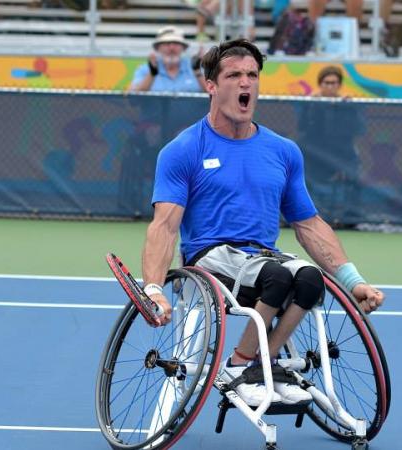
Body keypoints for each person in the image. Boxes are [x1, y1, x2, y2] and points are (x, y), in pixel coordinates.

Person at [140, 39, 384, 407]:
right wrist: (154, 288)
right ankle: (240, 367)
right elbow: (164, 226)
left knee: (309, 278)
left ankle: (263, 362)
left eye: (252, 75)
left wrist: (354, 281)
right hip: (209, 260)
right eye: (234, 75)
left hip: (262, 257)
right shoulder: (184, 149)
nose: (245, 83)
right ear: (211, 85)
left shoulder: (282, 151)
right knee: (278, 276)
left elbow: (310, 225)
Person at [299, 66, 364, 222]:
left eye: (334, 83)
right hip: (314, 154)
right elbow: (302, 127)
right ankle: (305, 216)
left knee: (354, 177)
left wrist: (349, 106)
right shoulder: (311, 104)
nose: (330, 86)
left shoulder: (347, 104)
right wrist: (312, 105)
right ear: (320, 84)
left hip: (341, 153)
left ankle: (348, 219)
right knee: (302, 178)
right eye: (326, 83)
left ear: (339, 85)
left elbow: (359, 129)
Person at [129, 26, 207, 93]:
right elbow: (133, 96)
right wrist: (152, 74)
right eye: (166, 44)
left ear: (183, 48)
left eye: (176, 43)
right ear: (157, 48)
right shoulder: (145, 70)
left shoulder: (197, 67)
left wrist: (197, 72)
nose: (171, 48)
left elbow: (213, 94)